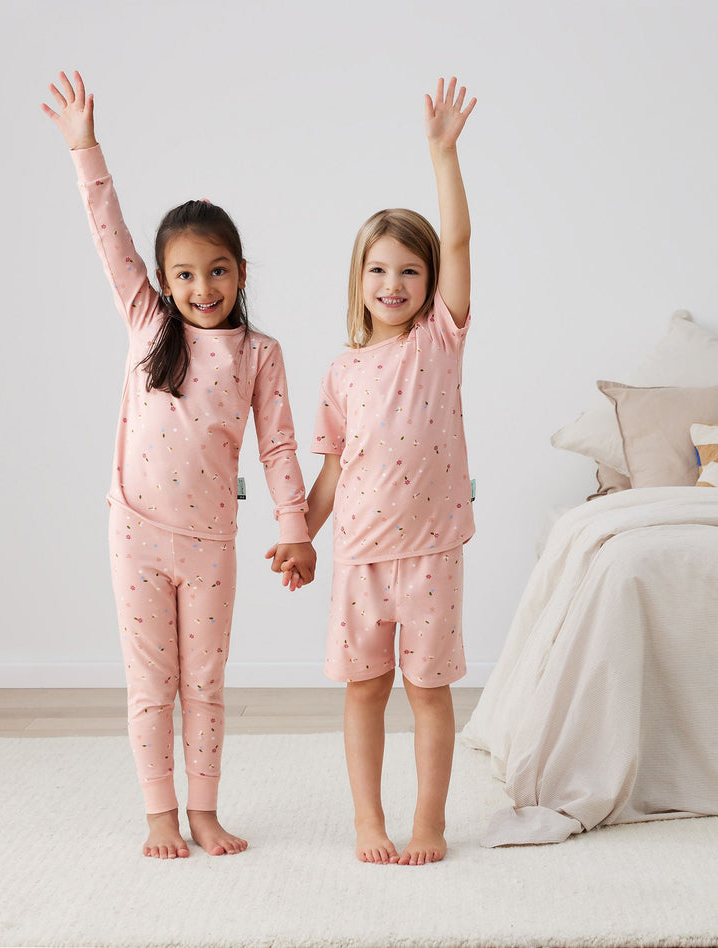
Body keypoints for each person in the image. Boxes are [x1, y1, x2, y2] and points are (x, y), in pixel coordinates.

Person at [41, 71, 316, 860]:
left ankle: (203, 811)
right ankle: (159, 813)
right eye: (186, 275)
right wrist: (84, 147)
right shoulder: (144, 319)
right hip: (136, 531)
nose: (203, 288)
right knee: (150, 684)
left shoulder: (262, 355)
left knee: (205, 685)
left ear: (241, 272)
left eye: (219, 270)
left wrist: (295, 530)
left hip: (211, 544)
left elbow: (279, 448)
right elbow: (110, 234)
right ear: (164, 282)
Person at [302, 76, 477, 865]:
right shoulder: (342, 371)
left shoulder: (440, 338)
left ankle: (429, 822)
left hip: (432, 551)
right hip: (360, 558)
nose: (393, 285)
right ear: (358, 281)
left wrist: (443, 153)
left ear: (429, 283)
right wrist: (298, 532)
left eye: (409, 271)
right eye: (378, 271)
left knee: (429, 693)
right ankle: (368, 821)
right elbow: (333, 474)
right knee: (365, 691)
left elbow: (461, 243)